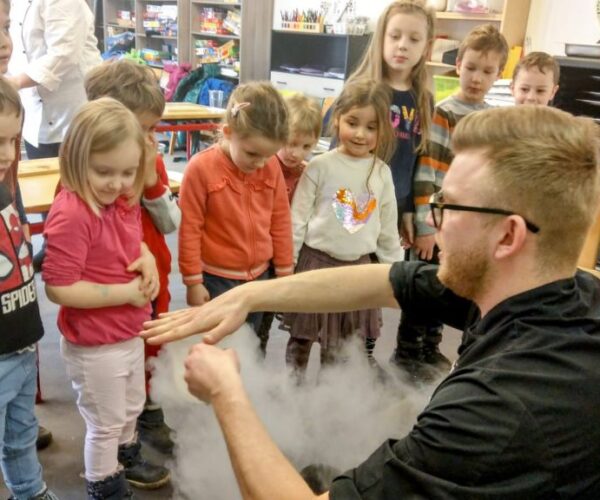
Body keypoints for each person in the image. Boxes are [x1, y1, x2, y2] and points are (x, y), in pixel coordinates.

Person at [142, 105, 600, 499]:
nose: (433, 222)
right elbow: (390, 280)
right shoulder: (556, 289)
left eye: (449, 206)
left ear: (508, 235)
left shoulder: (497, 410)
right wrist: (248, 296)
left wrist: (226, 394)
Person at [41, 99, 170, 498]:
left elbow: (131, 244)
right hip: (96, 345)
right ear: (76, 161)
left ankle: (125, 456)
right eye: (104, 172)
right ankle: (104, 483)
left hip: (128, 332)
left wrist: (147, 259)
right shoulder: (73, 214)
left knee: (130, 406)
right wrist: (126, 293)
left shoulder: (122, 199)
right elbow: (58, 287)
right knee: (104, 422)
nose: (118, 184)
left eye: (128, 173)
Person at [84, 59, 180, 456]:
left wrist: (153, 181)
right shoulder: (88, 169)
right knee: (120, 358)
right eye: (142, 129)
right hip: (112, 284)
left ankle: (148, 408)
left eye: (152, 129)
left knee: (153, 343)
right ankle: (123, 438)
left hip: (154, 275)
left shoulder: (152, 162)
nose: (148, 139)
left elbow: (171, 221)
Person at [402, 22, 508, 378]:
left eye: (487, 71)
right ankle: (407, 351)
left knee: (451, 284)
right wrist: (423, 226)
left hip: (468, 221)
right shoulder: (444, 111)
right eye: (472, 67)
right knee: (424, 282)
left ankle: (430, 348)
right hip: (436, 218)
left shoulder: (494, 120)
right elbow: (427, 171)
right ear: (458, 64)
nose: (477, 77)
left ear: (498, 75)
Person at [344, 0, 440, 381]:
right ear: (381, 38)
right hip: (356, 205)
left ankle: (364, 355)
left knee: (379, 285)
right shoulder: (362, 91)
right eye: (395, 35)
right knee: (348, 279)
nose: (403, 45)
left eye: (414, 39)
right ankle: (342, 354)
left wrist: (412, 214)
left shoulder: (423, 101)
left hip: (394, 212)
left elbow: (419, 163)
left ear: (426, 47)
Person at [282, 79, 401, 375]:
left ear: (382, 131)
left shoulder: (382, 173)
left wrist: (399, 274)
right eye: (352, 122)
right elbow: (297, 220)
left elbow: (387, 228)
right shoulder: (319, 166)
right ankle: (291, 393)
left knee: (338, 348)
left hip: (357, 272)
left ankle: (328, 402)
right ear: (336, 119)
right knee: (301, 338)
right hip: (314, 265)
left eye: (371, 127)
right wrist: (288, 266)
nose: (360, 134)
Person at [178, 81, 293, 346]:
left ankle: (245, 387)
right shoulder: (200, 169)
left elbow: (280, 220)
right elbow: (189, 230)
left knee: (253, 342)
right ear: (228, 132)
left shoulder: (271, 165)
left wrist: (286, 274)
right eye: (253, 153)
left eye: (269, 155)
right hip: (217, 279)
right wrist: (193, 282)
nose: (261, 163)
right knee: (221, 344)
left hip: (260, 277)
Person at [0, 77, 59, 500]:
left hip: (22, 346)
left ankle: (30, 491)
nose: (6, 153)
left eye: (13, 140)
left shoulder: (8, 186)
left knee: (21, 437)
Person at [256, 93, 322, 351]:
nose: (296, 153)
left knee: (266, 322)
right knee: (253, 318)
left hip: (286, 257)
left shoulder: (306, 174)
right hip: (259, 255)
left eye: (306, 146)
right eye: (290, 143)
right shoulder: (262, 165)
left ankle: (257, 365)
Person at [7, 0, 102, 160]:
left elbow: (63, 53)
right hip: (34, 114)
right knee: (42, 177)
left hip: (74, 107)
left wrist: (15, 83)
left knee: (81, 176)